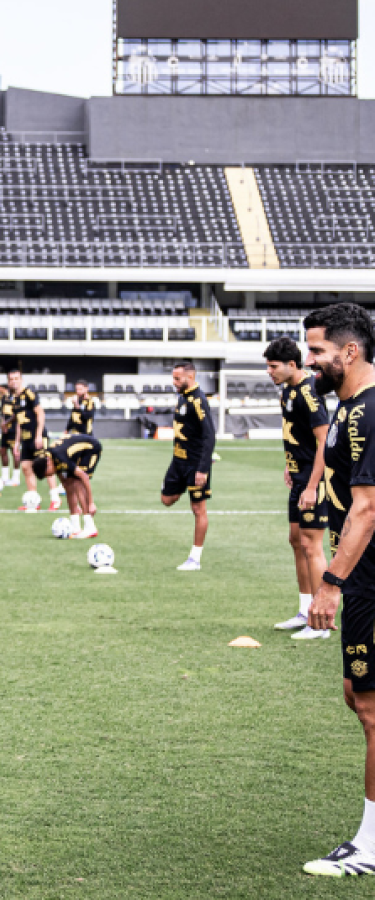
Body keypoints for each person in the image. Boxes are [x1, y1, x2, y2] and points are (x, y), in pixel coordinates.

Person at [303, 302, 375, 877]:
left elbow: (368, 509)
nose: (311, 362)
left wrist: (330, 583)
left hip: (368, 578)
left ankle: (370, 847)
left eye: (318, 352)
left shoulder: (372, 410)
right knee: (357, 696)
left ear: (349, 352)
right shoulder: (347, 407)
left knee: (373, 709)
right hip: (361, 579)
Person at [264, 336, 331, 640]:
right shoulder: (288, 391)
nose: (269, 371)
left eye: (273, 366)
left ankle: (321, 622)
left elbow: (324, 441)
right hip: (299, 474)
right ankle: (305, 609)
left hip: (314, 480)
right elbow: (298, 436)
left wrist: (312, 485)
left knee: (311, 545)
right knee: (296, 540)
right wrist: (289, 464)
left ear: (292, 364)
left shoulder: (309, 393)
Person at [161, 361, 215, 571]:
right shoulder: (182, 396)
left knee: (198, 508)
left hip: (194, 464)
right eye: (173, 378)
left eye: (177, 378)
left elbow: (209, 435)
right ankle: (185, 486)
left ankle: (195, 558)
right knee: (167, 499)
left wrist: (202, 469)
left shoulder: (199, 400)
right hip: (178, 461)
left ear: (190, 377)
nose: (174, 382)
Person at [9, 370, 62, 511]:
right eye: (11, 379)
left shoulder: (29, 394)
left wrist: (39, 435)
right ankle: (33, 502)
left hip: (37, 438)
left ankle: (55, 499)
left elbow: (41, 413)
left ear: (21, 380)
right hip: (25, 440)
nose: (14, 381)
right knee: (26, 467)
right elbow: (19, 423)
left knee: (45, 467)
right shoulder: (14, 399)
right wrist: (17, 443)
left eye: (16, 378)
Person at [32, 434, 101, 539]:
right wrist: (75, 507)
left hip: (91, 449)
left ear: (49, 465)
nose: (50, 476)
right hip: (76, 453)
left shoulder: (60, 458)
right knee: (70, 484)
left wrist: (91, 503)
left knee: (77, 482)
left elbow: (84, 477)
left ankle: (90, 527)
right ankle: (75, 527)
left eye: (48, 474)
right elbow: (66, 484)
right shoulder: (50, 459)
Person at [0, 383, 19, 486]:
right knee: (2, 450)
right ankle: (5, 477)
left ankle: (16, 478)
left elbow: (17, 414)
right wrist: (2, 423)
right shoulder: (4, 398)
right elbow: (2, 413)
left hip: (14, 428)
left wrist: (6, 423)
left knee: (15, 452)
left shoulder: (17, 398)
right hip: (5, 429)